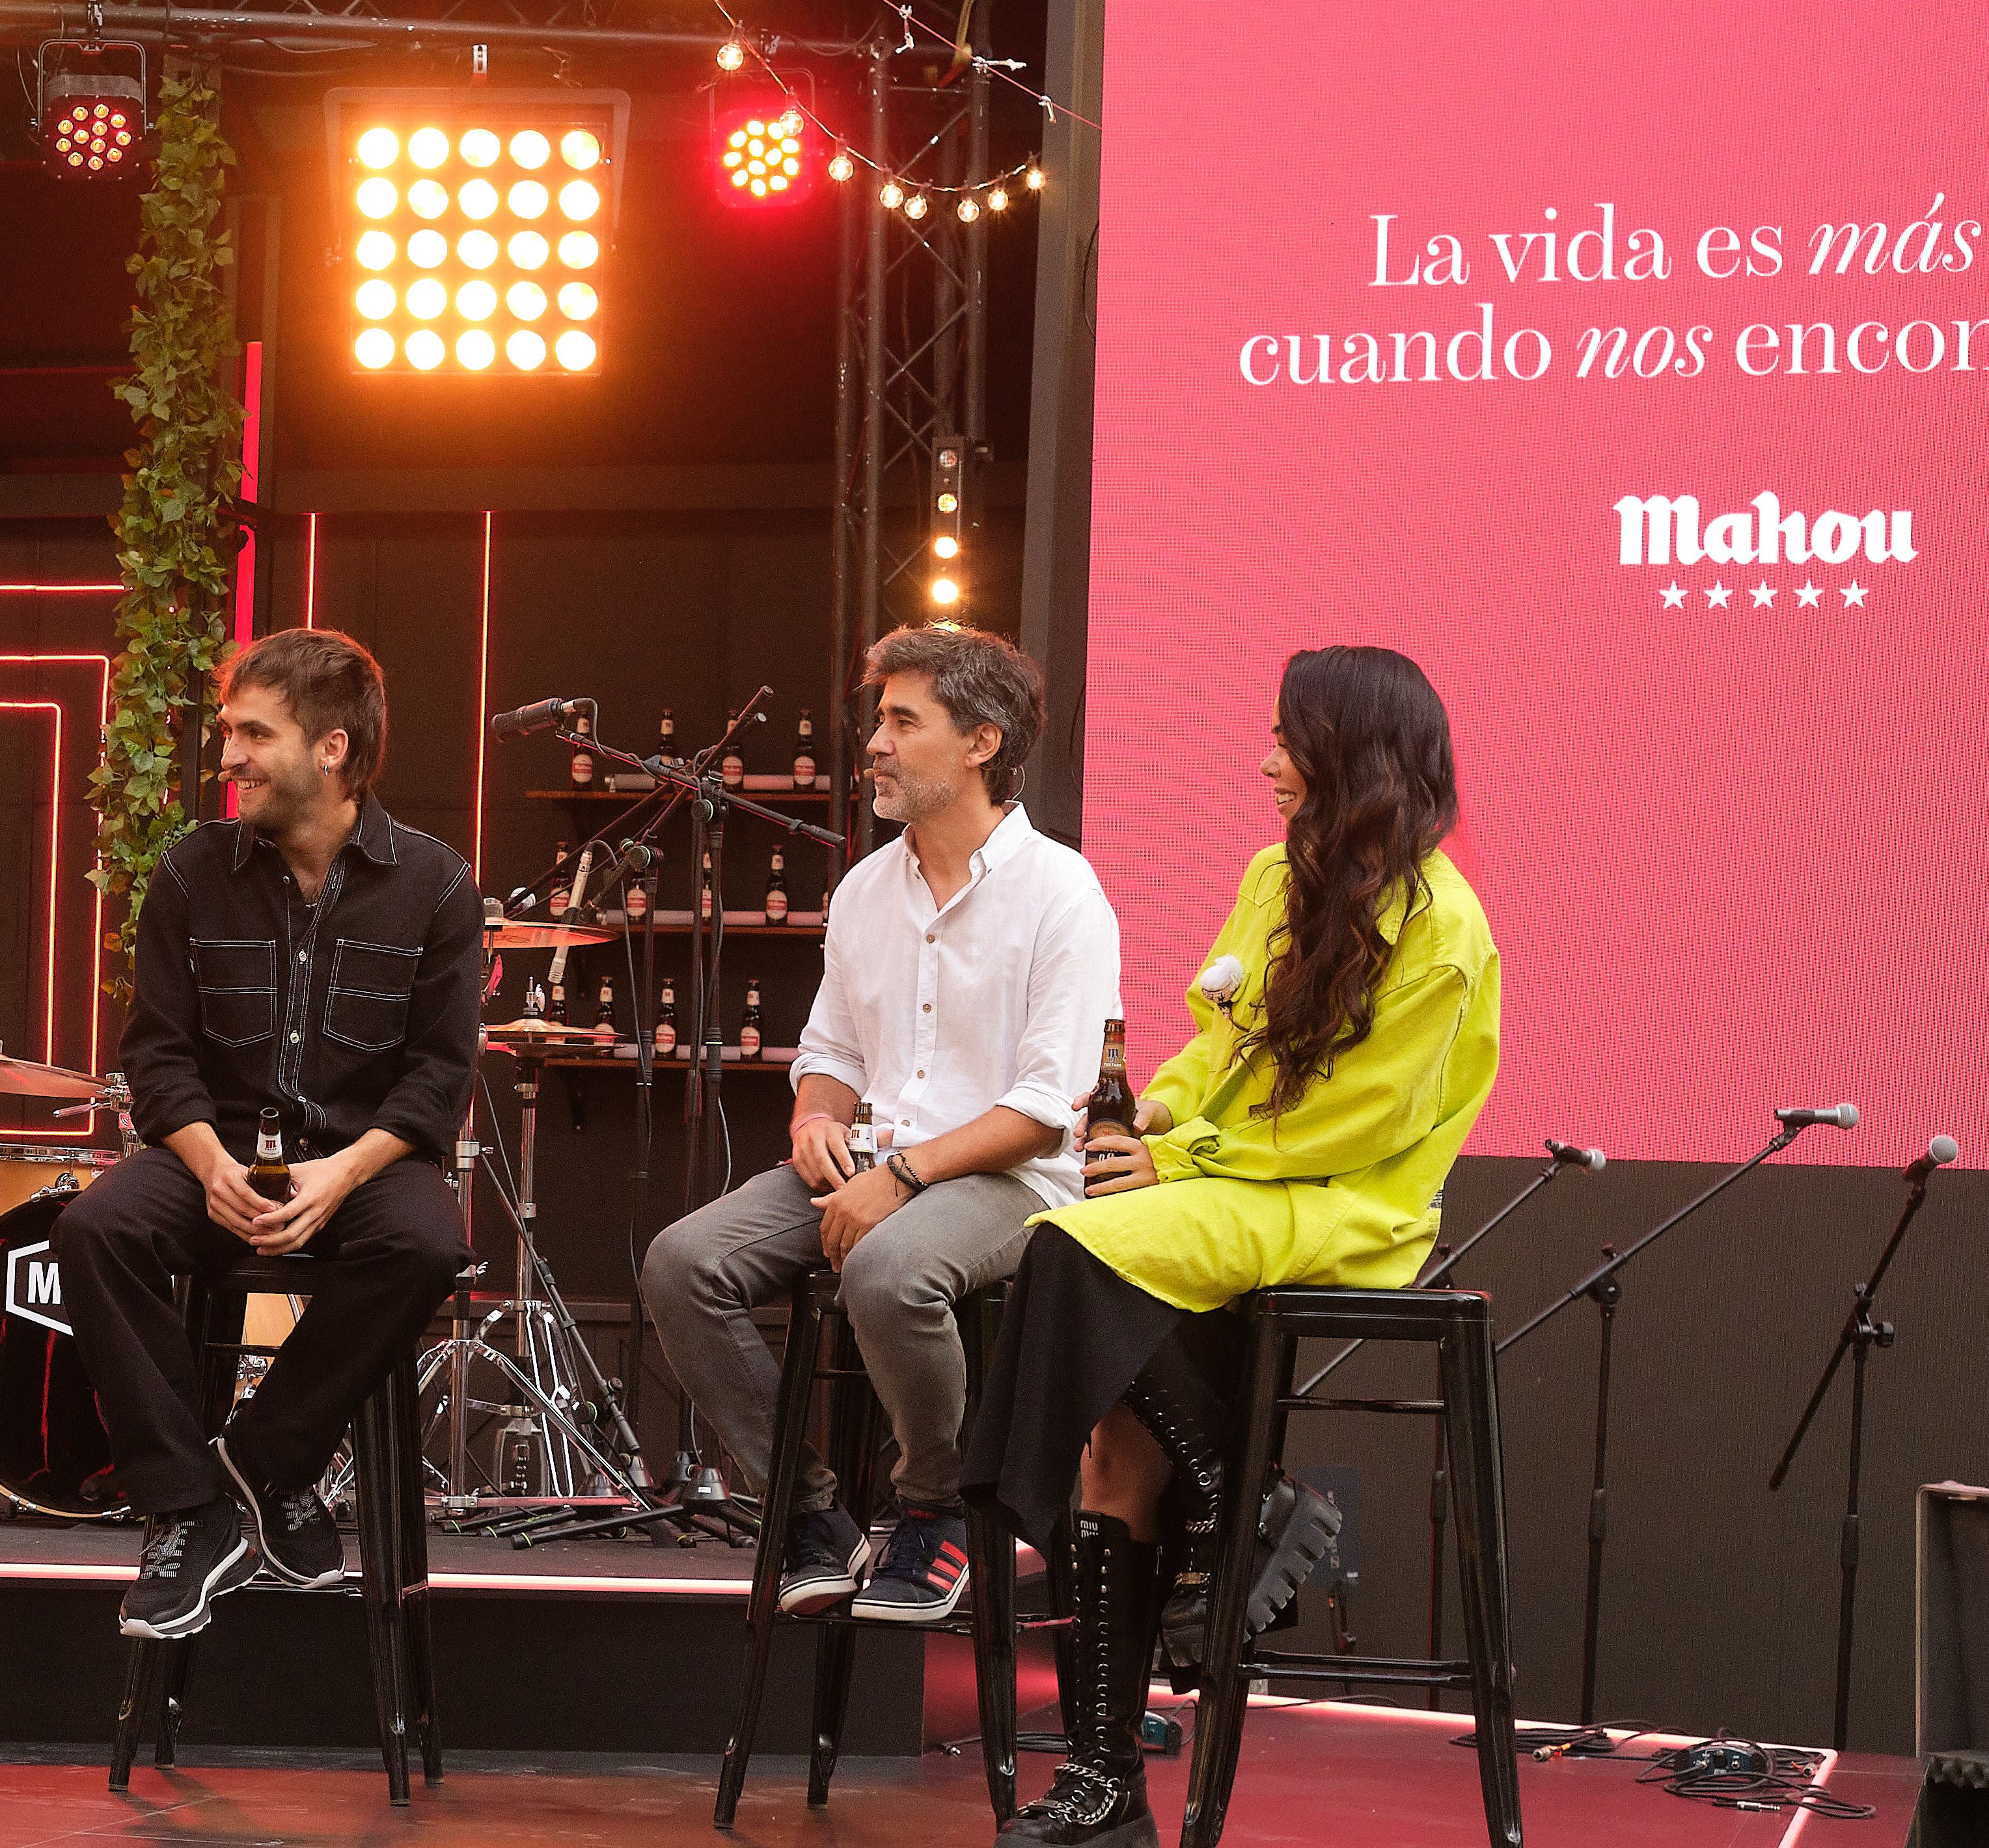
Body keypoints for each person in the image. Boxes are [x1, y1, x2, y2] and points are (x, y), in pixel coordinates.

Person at [970, 645, 1498, 1848]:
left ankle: (1237, 1491)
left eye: (1287, 740)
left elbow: (1358, 1123)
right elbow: (1222, 1039)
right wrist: (1160, 1107)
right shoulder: (1277, 875)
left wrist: (1188, 1157)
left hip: (1344, 1204)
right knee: (1114, 1447)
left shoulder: (1446, 928)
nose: (1266, 761)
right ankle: (1110, 1781)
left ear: (1354, 756)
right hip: (1230, 1185)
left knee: (1065, 1248)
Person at [640, 624, 1119, 1625]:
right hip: (871, 1161)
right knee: (683, 1262)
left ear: (982, 741)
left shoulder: (1062, 891)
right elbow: (833, 1053)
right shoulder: (865, 889)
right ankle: (811, 1514)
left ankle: (934, 1508)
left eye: (905, 720)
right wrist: (819, 1116)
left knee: (889, 1268)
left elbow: (1044, 1109)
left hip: (1010, 1177)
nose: (876, 743)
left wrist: (900, 1178)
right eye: (879, 719)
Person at [59, 626, 483, 1645]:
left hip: (359, 1161)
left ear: (330, 748)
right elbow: (156, 1057)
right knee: (95, 1227)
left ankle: (267, 1457)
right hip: (216, 1152)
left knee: (427, 1240)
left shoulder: (435, 884)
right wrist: (207, 1163)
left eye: (254, 732)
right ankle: (193, 1504)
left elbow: (439, 1074)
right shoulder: (191, 872)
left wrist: (344, 1169)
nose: (230, 754)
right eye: (229, 730)